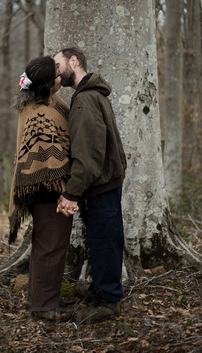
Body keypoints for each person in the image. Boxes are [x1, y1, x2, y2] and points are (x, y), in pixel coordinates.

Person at [54, 47, 127, 324]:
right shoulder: (93, 93)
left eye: (58, 64)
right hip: (108, 179)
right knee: (102, 238)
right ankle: (102, 287)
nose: (56, 71)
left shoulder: (84, 100)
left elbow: (87, 155)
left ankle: (108, 301)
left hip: (101, 183)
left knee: (105, 239)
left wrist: (71, 193)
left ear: (74, 61)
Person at [8, 56, 73, 322]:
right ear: (48, 84)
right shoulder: (41, 112)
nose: (61, 75)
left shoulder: (43, 103)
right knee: (52, 246)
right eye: (57, 73)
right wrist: (64, 190)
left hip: (41, 187)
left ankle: (41, 299)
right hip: (47, 189)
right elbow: (45, 156)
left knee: (45, 244)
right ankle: (45, 307)